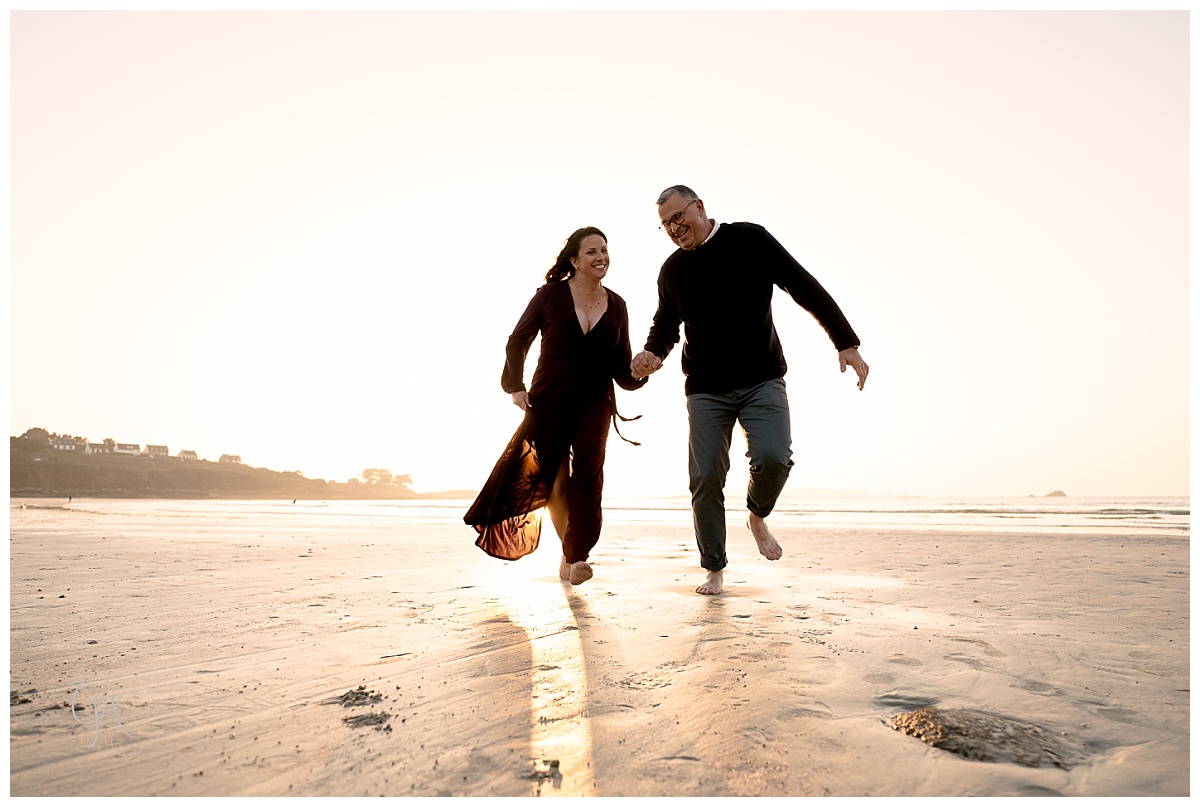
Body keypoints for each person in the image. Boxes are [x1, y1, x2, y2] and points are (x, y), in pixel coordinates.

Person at [631, 185, 869, 595]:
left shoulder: (749, 239)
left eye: (678, 217)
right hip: (705, 389)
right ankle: (714, 567)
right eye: (665, 224)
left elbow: (802, 285)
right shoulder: (672, 271)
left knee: (774, 458)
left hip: (762, 379)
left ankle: (756, 516)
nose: (674, 228)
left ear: (699, 207)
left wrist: (844, 340)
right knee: (706, 477)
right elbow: (666, 327)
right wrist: (652, 354)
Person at [465, 227, 648, 586]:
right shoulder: (549, 296)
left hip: (595, 401)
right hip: (549, 398)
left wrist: (641, 371)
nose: (601, 257)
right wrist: (515, 387)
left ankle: (577, 556)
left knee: (589, 478)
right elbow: (517, 341)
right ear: (575, 260)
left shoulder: (618, 305)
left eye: (605, 251)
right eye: (592, 251)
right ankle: (571, 552)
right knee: (555, 480)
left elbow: (622, 368)